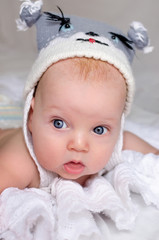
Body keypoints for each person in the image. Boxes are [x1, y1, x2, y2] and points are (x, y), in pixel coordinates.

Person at [0, 1, 159, 239]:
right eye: (59, 123)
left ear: (118, 126)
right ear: (31, 117)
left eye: (98, 129)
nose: (79, 144)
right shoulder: (21, 159)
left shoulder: (118, 142)